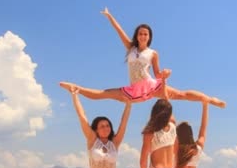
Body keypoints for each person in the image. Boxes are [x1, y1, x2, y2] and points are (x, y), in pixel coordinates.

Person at [59, 7, 226, 108]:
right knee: (105, 93)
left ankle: (210, 100)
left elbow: (157, 73)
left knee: (180, 95)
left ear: (149, 37)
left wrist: (165, 74)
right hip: (134, 89)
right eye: (140, 33)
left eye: (146, 34)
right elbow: (119, 31)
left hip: (151, 85)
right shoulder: (130, 48)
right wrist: (109, 16)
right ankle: (76, 88)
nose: (143, 36)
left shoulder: (153, 53)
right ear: (137, 36)